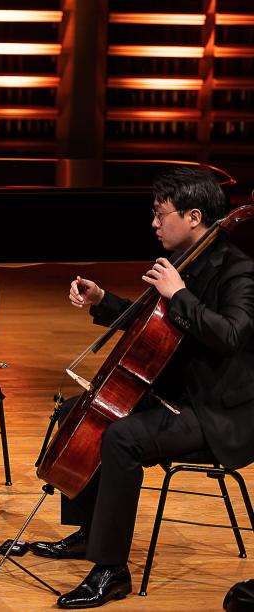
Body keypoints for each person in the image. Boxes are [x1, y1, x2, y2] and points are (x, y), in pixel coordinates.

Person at [29, 166, 254, 608]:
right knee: (79, 410)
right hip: (176, 396)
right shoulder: (184, 262)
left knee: (121, 437)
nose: (153, 223)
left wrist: (180, 294)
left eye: (160, 214)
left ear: (193, 216)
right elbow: (152, 326)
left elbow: (232, 335)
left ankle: (110, 570)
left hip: (218, 413)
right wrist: (102, 300)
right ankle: (89, 533)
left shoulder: (239, 270)